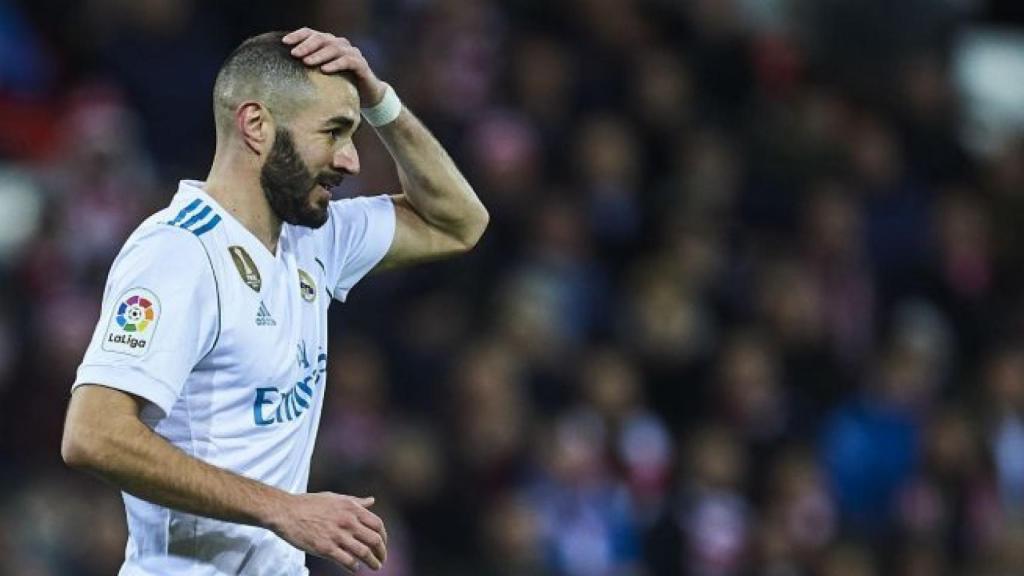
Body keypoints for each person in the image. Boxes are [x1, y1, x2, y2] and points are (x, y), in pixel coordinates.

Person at [60, 27, 488, 575]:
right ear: (257, 126)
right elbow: (92, 434)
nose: (352, 160)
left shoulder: (314, 236)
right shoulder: (179, 254)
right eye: (334, 131)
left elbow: (460, 221)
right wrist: (282, 510)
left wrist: (380, 99)